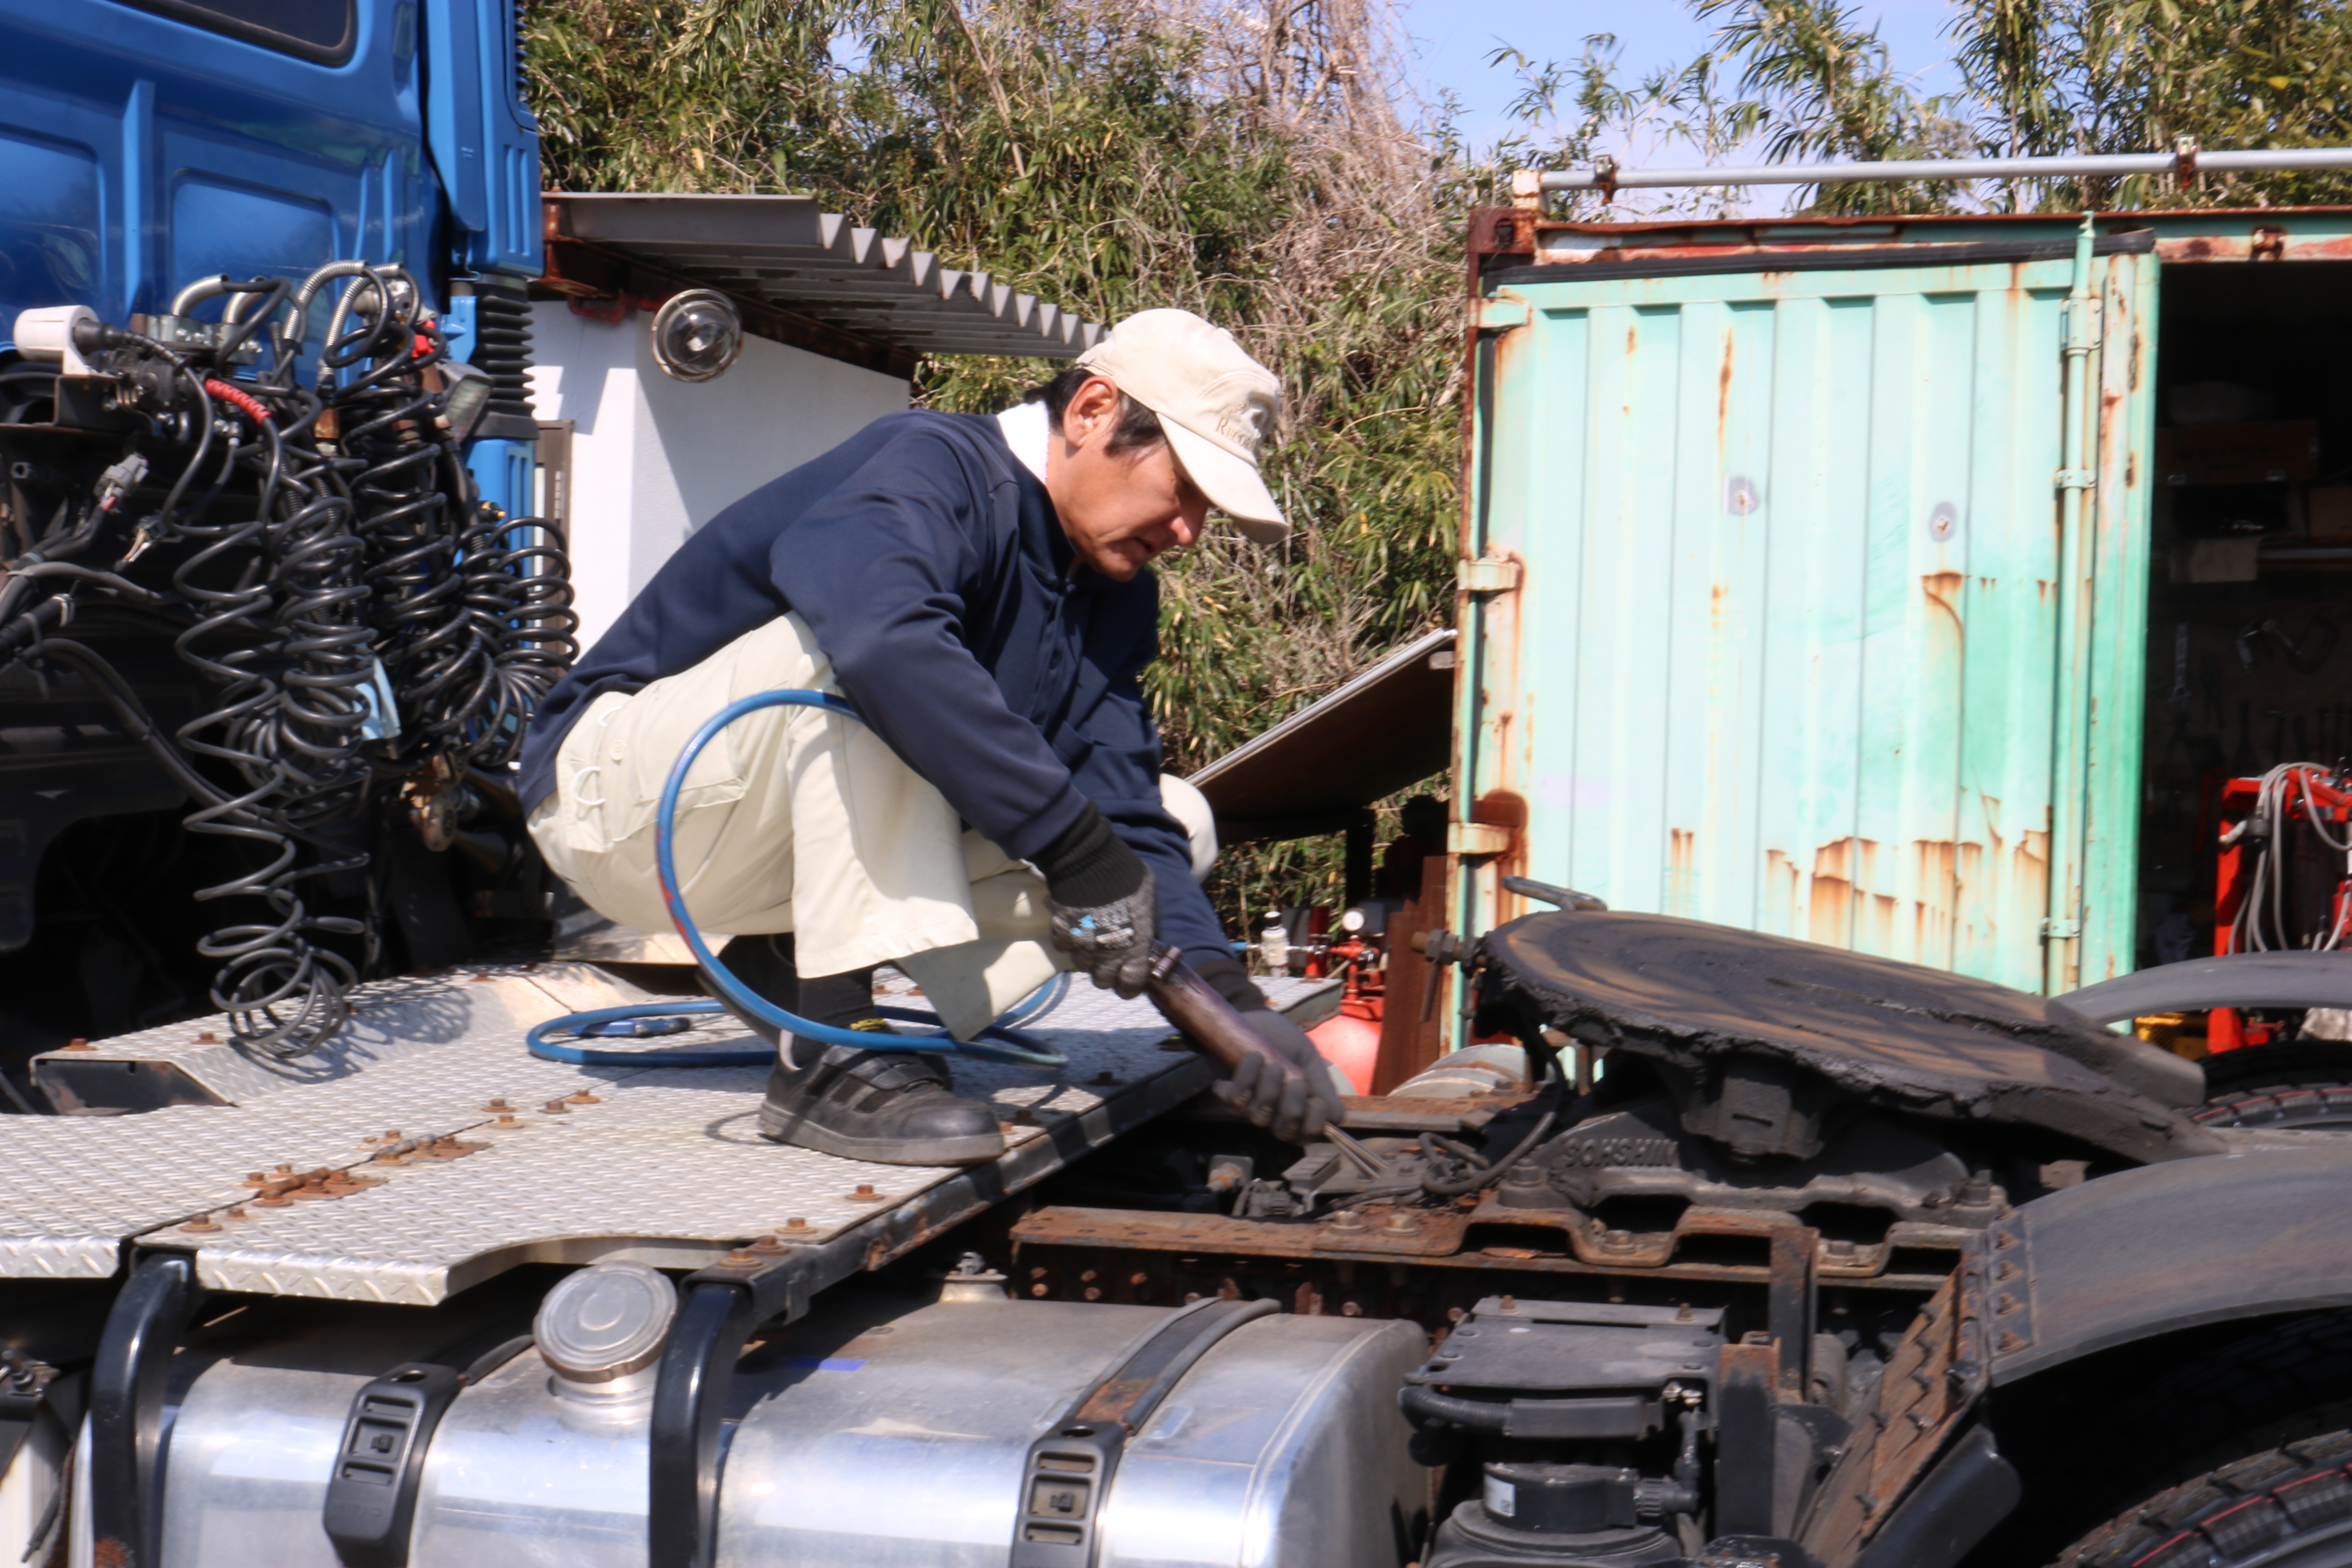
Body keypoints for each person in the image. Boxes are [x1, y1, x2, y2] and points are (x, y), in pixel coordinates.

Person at [519, 309, 1347, 1166]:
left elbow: (1125, 808)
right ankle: (831, 1053)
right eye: (1184, 488)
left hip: (736, 838)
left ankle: (786, 964)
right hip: (614, 807)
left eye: (1206, 511)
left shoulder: (1114, 593)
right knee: (884, 663)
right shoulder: (932, 465)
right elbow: (881, 643)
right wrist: (1073, 852)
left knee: (1179, 816)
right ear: (1094, 409)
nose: (1188, 531)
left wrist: (1233, 1001)